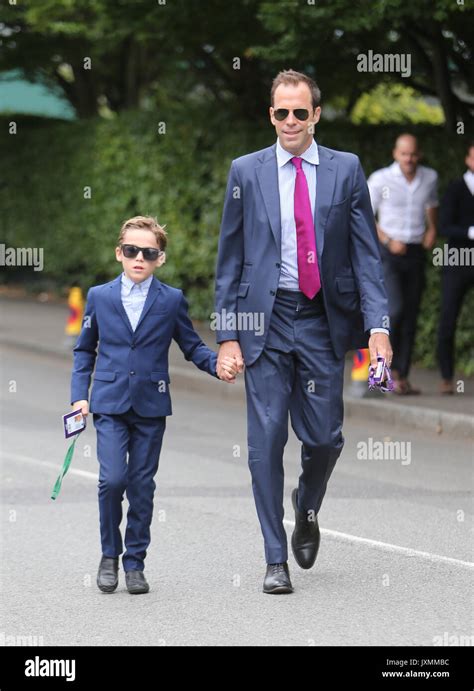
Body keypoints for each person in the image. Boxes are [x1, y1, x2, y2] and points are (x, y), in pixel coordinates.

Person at [215, 69, 391, 594]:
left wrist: (378, 327)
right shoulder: (246, 172)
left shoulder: (346, 170)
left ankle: (306, 506)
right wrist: (227, 333)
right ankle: (275, 558)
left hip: (321, 320)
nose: (289, 121)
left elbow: (366, 255)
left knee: (324, 438)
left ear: (315, 115)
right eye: (279, 112)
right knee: (265, 442)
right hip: (263, 323)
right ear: (270, 115)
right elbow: (229, 259)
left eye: (299, 112)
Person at [71, 216, 238, 595]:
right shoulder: (99, 296)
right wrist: (79, 396)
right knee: (112, 480)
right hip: (110, 403)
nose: (139, 258)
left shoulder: (172, 300)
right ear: (119, 253)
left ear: (160, 259)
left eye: (149, 253)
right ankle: (109, 556)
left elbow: (192, 346)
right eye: (131, 251)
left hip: (150, 406)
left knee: (142, 485)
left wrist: (219, 366)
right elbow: (84, 350)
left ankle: (135, 564)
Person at [368, 134, 438, 394]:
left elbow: (432, 204)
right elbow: (364, 214)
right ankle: (378, 373)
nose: (409, 159)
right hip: (388, 253)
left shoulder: (429, 177)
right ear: (395, 154)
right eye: (404, 154)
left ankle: (401, 376)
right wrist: (387, 240)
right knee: (392, 311)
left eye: (413, 154)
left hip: (415, 251)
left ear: (418, 155)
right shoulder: (380, 179)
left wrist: (433, 229)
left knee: (410, 314)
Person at [437, 142, 474, 394]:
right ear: (468, 159)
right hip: (458, 260)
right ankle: (447, 376)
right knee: (448, 317)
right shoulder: (455, 188)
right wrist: (470, 232)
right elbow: (443, 226)